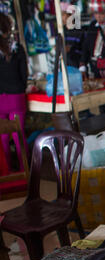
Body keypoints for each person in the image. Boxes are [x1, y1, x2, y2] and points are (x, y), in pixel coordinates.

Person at [0, 12, 28, 172]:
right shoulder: (17, 48)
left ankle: (7, 173)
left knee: (2, 137)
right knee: (19, 135)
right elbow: (24, 74)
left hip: (0, 99)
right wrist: (21, 88)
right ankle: (27, 172)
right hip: (16, 97)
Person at [60, 2, 85, 68]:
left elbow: (85, 50)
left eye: (63, 15)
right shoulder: (61, 31)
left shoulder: (80, 31)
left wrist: (71, 48)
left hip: (77, 66)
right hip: (64, 66)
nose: (61, 17)